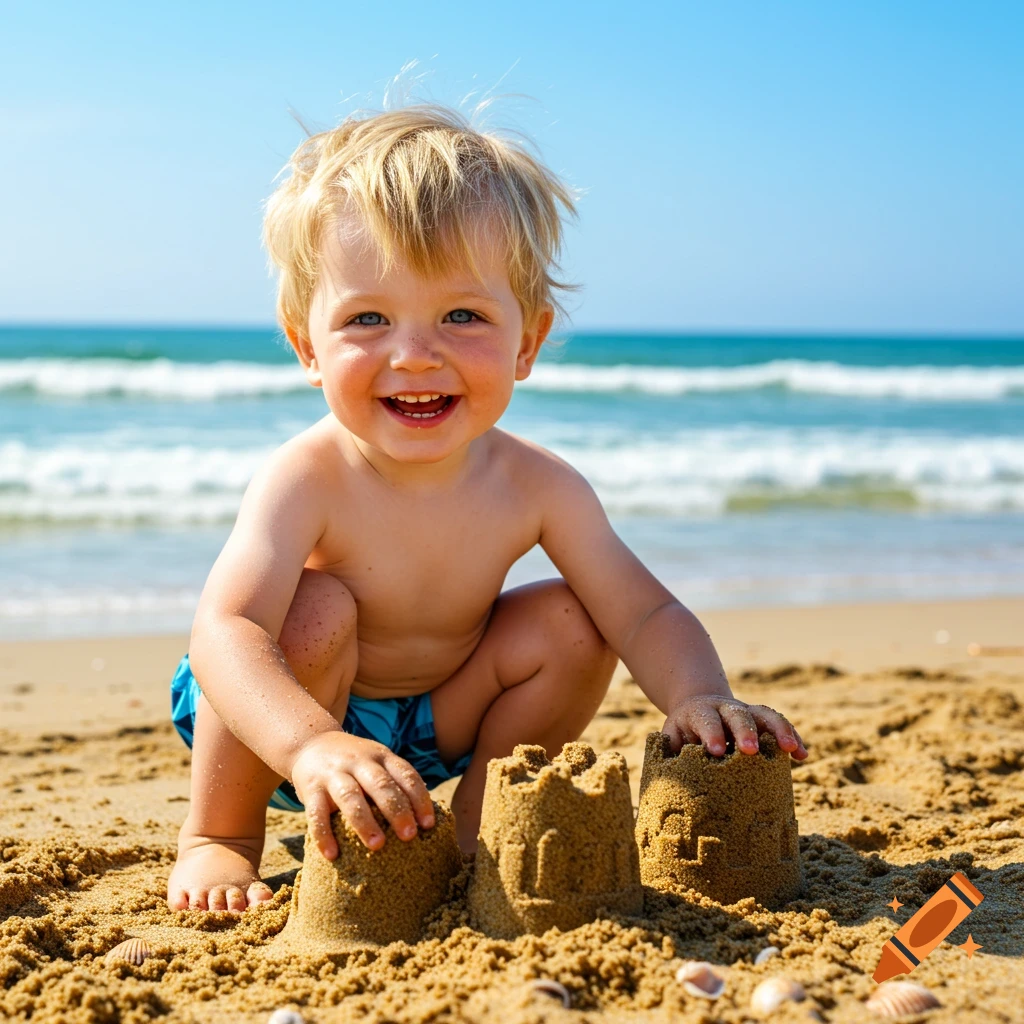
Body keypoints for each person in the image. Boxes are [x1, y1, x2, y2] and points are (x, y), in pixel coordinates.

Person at [166, 104, 808, 913]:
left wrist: (697, 694)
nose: (414, 353)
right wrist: (310, 742)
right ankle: (218, 839)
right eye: (368, 318)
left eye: (461, 315)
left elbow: (643, 612)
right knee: (315, 604)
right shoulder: (307, 476)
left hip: (441, 716)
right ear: (306, 346)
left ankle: (470, 835)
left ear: (527, 342)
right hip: (284, 717)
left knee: (580, 619)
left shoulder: (538, 485)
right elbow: (227, 632)